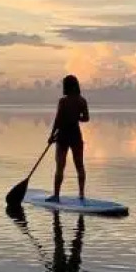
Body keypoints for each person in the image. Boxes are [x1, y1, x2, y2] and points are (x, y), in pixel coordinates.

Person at [48, 74, 89, 202]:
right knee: (79, 165)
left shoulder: (63, 101)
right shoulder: (82, 101)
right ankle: (81, 194)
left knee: (60, 166)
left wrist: (52, 135)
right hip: (75, 134)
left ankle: (56, 195)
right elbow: (86, 118)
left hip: (63, 135)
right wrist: (76, 117)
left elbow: (58, 120)